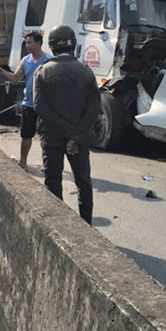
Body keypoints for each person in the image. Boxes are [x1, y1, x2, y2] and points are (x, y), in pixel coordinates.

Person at [33, 25, 101, 224]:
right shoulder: (86, 73)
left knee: (53, 182)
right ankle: (86, 225)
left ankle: (58, 226)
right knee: (83, 182)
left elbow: (40, 107)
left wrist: (65, 131)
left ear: (51, 46)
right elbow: (93, 109)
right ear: (74, 44)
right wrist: (74, 136)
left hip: (51, 137)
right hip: (78, 139)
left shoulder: (42, 72)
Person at [0, 32, 52, 169]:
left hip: (45, 104)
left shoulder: (49, 60)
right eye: (26, 43)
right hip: (29, 103)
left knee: (47, 136)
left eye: (30, 43)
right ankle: (23, 162)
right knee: (26, 135)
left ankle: (47, 164)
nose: (28, 46)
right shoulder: (25, 60)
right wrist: (3, 72)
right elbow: (16, 78)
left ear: (39, 43)